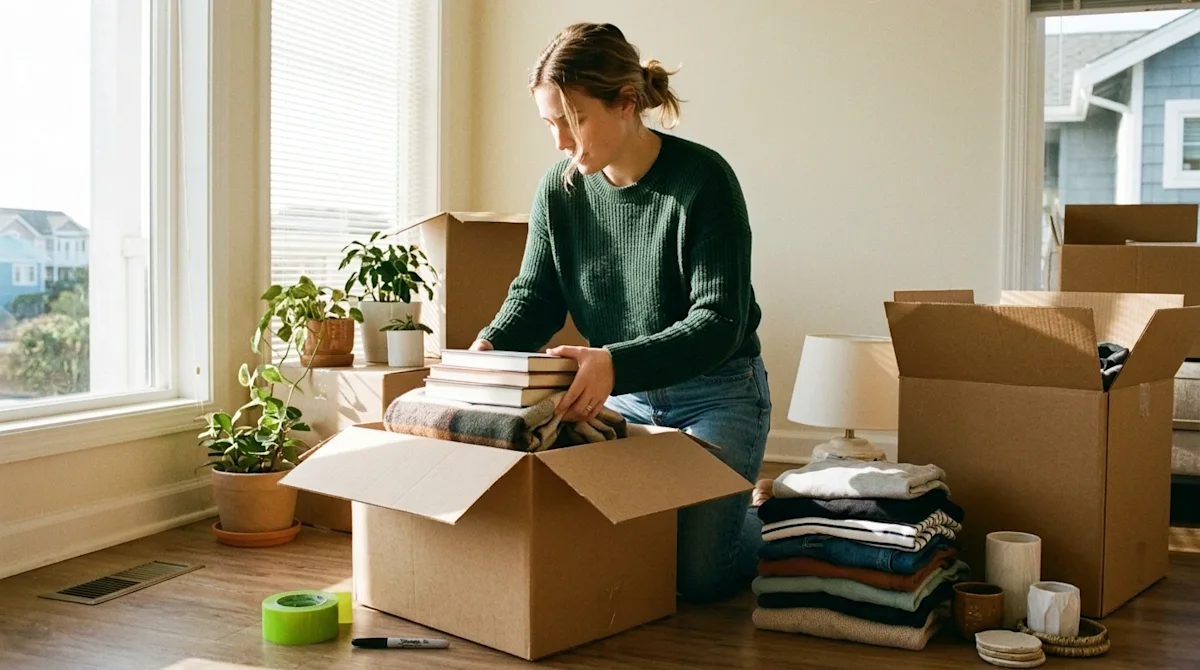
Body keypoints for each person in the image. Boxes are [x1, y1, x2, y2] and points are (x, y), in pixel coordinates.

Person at [470, 21, 771, 603]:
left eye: (572, 118)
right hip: (620, 396)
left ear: (626, 102)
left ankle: (785, 521)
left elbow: (719, 322)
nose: (560, 140)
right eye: (549, 123)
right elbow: (536, 296)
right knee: (624, 558)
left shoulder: (704, 180)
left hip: (718, 392)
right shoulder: (559, 191)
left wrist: (612, 363)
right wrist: (486, 352)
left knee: (698, 578)